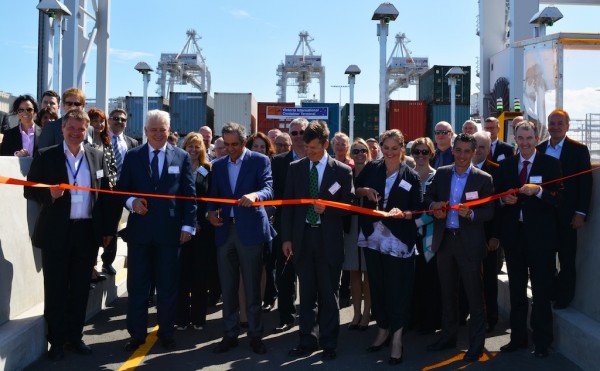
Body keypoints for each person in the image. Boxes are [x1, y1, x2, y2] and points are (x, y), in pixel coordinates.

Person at [24, 109, 116, 360]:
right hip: (56, 234)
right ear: (62, 129)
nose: (76, 133)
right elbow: (29, 190)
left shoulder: (97, 156)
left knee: (79, 290)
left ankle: (75, 338)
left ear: (87, 129)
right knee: (55, 289)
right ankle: (56, 341)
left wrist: (108, 230)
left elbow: (106, 196)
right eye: (71, 128)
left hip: (86, 233)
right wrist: (49, 195)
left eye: (80, 129)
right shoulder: (46, 156)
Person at [116, 109, 196, 352]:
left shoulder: (181, 157)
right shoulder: (133, 156)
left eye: (163, 129)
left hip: (170, 234)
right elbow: (121, 190)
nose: (159, 134)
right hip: (140, 234)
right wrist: (131, 202)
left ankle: (167, 333)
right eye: (154, 129)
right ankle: (137, 334)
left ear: (169, 130)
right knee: (138, 286)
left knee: (168, 287)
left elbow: (189, 195)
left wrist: (188, 225)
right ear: (145, 131)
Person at [283, 120, 354, 361]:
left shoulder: (342, 171)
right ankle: (306, 340)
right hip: (303, 239)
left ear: (325, 144)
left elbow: (349, 205)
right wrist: (287, 239)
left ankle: (329, 342)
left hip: (329, 241)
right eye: (306, 147)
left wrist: (329, 210)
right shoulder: (296, 168)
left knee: (328, 294)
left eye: (313, 148)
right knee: (307, 294)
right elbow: (288, 207)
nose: (308, 152)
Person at [424, 133, 494, 363]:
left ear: (475, 153)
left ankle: (476, 343)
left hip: (470, 245)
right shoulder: (442, 174)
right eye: (459, 150)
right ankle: (448, 337)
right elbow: (428, 197)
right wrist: (434, 205)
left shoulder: (484, 179)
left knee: (474, 295)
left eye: (467, 151)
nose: (462, 156)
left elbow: (490, 212)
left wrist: (472, 213)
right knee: (447, 293)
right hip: (445, 242)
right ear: (452, 150)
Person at [496, 121, 563, 358]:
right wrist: (504, 201)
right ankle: (517, 338)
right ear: (515, 138)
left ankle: (542, 341)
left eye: (529, 138)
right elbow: (497, 197)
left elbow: (559, 198)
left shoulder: (551, 164)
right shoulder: (505, 166)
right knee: (516, 290)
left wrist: (540, 191)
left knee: (541, 291)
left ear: (536, 139)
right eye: (521, 138)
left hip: (541, 240)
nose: (525, 143)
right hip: (514, 238)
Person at [355, 129, 422, 364]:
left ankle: (397, 338)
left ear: (402, 149)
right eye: (386, 148)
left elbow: (418, 209)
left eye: (395, 148)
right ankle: (382, 329)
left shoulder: (411, 176)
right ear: (381, 148)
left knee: (397, 290)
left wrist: (403, 214)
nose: (390, 153)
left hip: (398, 239)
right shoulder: (372, 168)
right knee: (378, 286)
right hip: (373, 236)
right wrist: (364, 191)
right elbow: (355, 189)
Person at [207, 122, 274, 355]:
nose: (230, 149)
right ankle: (230, 334)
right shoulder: (217, 165)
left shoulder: (260, 161)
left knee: (253, 287)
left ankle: (255, 335)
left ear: (244, 142)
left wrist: (255, 195)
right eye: (226, 144)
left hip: (251, 231)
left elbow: (269, 188)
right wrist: (210, 213)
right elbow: (212, 196)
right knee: (228, 287)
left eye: (234, 144)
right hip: (225, 231)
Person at [537, 109, 592, 309]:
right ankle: (550, 293)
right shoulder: (540, 149)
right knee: (546, 258)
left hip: (568, 215)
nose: (556, 127)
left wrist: (581, 213)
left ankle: (564, 298)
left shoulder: (579, 150)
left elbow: (586, 185)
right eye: (552, 123)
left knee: (567, 258)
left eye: (560, 123)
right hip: (544, 215)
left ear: (567, 126)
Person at [270, 118, 307, 334]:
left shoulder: (318, 158)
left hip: (312, 226)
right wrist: (293, 200)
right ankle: (286, 317)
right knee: (284, 274)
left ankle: (311, 318)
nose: (299, 136)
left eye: (303, 132)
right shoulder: (278, 162)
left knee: (310, 275)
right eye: (294, 133)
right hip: (286, 225)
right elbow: (273, 191)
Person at [175, 132, 214, 330]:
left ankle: (198, 318)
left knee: (200, 275)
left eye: (197, 146)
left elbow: (211, 198)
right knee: (181, 276)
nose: (193, 149)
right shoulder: (176, 167)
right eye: (190, 145)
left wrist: (200, 222)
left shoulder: (208, 169)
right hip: (181, 229)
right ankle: (181, 319)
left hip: (202, 230)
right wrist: (186, 223)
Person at [410, 137, 442, 334]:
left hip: (432, 236)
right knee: (412, 280)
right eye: (417, 151)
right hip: (409, 236)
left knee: (431, 281)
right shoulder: (405, 175)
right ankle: (412, 319)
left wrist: (417, 221)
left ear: (431, 154)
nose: (420, 155)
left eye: (424, 152)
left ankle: (431, 321)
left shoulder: (439, 177)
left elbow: (440, 205)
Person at [103, 108, 139, 275]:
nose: (119, 121)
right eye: (115, 118)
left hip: (127, 189)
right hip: (108, 189)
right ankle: (106, 260)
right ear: (109, 120)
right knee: (109, 223)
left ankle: (120, 247)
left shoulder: (132, 143)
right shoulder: (102, 139)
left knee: (128, 221)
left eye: (123, 119)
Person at [471, 131, 501, 332]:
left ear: (489, 149)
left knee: (489, 280)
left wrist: (495, 236)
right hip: (465, 235)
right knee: (468, 279)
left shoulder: (499, 171)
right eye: (476, 146)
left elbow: (501, 208)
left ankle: (491, 319)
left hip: (488, 235)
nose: (478, 150)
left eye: (483, 146)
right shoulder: (462, 169)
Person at [246, 131, 278, 312]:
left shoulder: (273, 166)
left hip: (269, 222)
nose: (259, 150)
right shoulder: (245, 166)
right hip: (247, 221)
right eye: (255, 146)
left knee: (267, 264)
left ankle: (266, 298)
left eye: (262, 147)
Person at [344, 139, 372, 331]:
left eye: (363, 150)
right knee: (354, 271)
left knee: (368, 273)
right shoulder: (346, 172)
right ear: (351, 154)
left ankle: (367, 313)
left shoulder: (376, 171)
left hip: (371, 226)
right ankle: (356, 313)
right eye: (356, 151)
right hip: (351, 225)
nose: (360, 154)